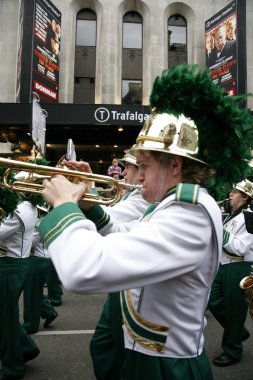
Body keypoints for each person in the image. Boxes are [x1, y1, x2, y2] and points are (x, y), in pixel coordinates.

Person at [37, 64, 253, 380]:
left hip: (167, 368)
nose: (137, 177)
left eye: (143, 167)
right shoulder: (170, 205)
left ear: (175, 165)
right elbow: (125, 234)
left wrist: (63, 207)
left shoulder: (190, 213)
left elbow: (82, 271)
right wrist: (88, 205)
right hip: (145, 355)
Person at [208, 179, 253, 367]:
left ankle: (232, 351)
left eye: (235, 192)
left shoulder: (250, 216)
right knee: (211, 299)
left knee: (235, 311)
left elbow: (241, 247)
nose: (230, 195)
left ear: (244, 197)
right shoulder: (232, 214)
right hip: (224, 265)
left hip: (240, 267)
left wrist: (220, 230)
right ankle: (238, 332)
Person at [0, 197, 40, 379]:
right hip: (14, 264)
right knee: (7, 316)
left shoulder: (19, 210)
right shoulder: (27, 206)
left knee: (5, 319)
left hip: (9, 265)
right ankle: (27, 347)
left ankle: (13, 366)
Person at [22, 224, 58, 335]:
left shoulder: (41, 221)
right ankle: (48, 311)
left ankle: (31, 325)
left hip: (38, 258)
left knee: (31, 293)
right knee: (32, 291)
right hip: (36, 258)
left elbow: (31, 242)